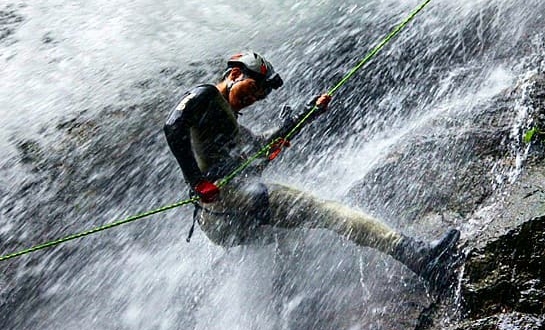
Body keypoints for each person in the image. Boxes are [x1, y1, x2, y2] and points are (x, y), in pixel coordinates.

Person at [164, 51, 461, 293]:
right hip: (227, 201)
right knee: (324, 211)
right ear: (233, 74)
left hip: (221, 222)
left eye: (259, 97)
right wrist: (197, 181)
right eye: (252, 88)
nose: (252, 98)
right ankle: (416, 255)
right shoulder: (206, 96)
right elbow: (173, 125)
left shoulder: (231, 125)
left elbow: (259, 155)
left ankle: (287, 307)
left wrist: (310, 113)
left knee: (295, 239)